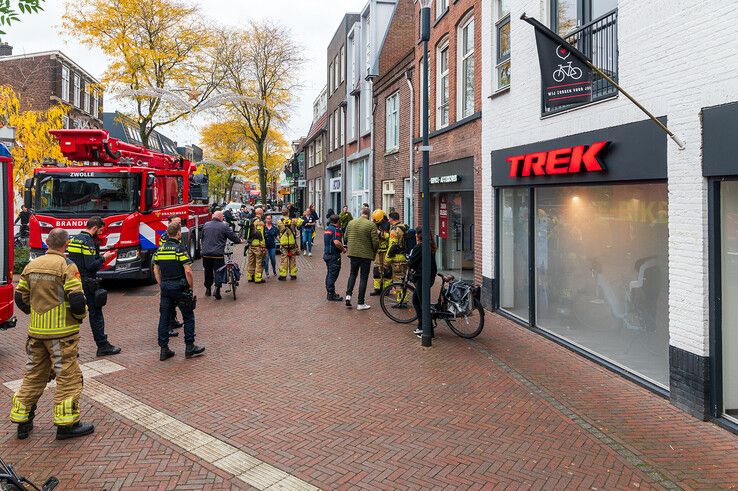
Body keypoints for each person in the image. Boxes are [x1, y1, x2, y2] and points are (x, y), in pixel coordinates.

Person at [10, 228, 94, 440]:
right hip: (62, 334)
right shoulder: (66, 266)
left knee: (34, 376)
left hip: (36, 333)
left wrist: (34, 312)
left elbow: (20, 297)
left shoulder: (31, 265)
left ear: (47, 242)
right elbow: (76, 299)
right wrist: (80, 316)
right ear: (65, 244)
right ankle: (67, 426)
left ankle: (23, 422)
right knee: (68, 377)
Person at [67, 216, 121, 357]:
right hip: (88, 282)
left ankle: (71, 347)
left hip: (74, 281)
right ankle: (102, 346)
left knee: (73, 315)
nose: (101, 233)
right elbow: (91, 265)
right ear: (95, 227)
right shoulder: (88, 242)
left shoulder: (75, 239)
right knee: (96, 314)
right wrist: (104, 258)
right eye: (101, 230)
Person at [153, 221, 205, 361]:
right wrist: (190, 287)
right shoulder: (179, 249)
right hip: (180, 287)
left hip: (166, 288)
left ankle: (164, 349)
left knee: (164, 318)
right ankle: (189, 347)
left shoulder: (160, 250)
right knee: (188, 316)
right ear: (178, 233)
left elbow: (156, 269)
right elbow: (188, 271)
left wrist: (161, 284)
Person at [344, 208, 379, 310]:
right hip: (365, 255)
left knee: (352, 274)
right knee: (363, 278)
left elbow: (345, 236)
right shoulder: (370, 225)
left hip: (353, 254)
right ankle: (360, 303)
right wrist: (374, 251)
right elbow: (375, 242)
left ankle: (348, 296)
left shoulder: (351, 222)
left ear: (360, 213)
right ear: (368, 215)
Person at [201, 210, 241, 300]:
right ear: (221, 217)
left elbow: (202, 238)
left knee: (207, 271)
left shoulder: (206, 225)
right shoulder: (224, 226)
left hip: (206, 254)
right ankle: (217, 289)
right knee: (219, 271)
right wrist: (239, 240)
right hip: (217, 254)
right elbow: (233, 236)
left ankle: (208, 288)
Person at [406, 226, 438, 337]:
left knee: (423, 303)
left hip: (422, 278)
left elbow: (411, 263)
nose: (415, 235)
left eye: (416, 234)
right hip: (429, 277)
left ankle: (428, 331)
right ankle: (421, 326)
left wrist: (409, 259)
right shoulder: (430, 245)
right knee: (416, 300)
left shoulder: (420, 247)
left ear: (419, 236)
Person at [160, 216, 184, 339]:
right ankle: (169, 327)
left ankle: (173, 321)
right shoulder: (165, 237)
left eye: (180, 222)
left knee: (173, 302)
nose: (179, 224)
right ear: (169, 224)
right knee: (168, 304)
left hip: (174, 272)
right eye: (177, 222)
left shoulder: (178, 236)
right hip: (170, 274)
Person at [386, 211, 410, 297]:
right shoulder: (404, 227)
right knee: (402, 279)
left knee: (397, 280)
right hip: (403, 257)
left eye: (389, 219)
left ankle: (401, 301)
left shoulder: (395, 230)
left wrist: (387, 259)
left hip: (397, 259)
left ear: (392, 219)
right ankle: (403, 298)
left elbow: (393, 246)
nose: (388, 221)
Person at [323, 214, 346, 301]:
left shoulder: (327, 229)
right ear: (338, 221)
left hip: (327, 255)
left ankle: (330, 292)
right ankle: (331, 294)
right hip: (333, 256)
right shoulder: (336, 230)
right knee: (332, 275)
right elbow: (336, 242)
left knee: (329, 274)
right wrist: (343, 249)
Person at [277, 207, 303, 280]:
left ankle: (283, 276)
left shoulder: (279, 221)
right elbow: (301, 222)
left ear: (282, 213)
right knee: (293, 259)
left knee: (283, 260)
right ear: (288, 213)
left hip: (284, 243)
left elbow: (278, 230)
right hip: (292, 243)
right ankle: (293, 275)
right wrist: (298, 217)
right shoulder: (293, 220)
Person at [370, 209, 391, 296]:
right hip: (378, 251)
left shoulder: (388, 225)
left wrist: (380, 233)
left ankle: (386, 289)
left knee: (387, 271)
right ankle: (377, 289)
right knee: (376, 271)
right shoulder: (375, 224)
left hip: (386, 251)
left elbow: (389, 236)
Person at [245, 207, 266, 284]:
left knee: (251, 262)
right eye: (262, 212)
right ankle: (258, 278)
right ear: (260, 213)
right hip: (257, 245)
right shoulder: (259, 222)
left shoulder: (251, 220)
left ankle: (250, 277)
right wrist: (263, 245)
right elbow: (261, 235)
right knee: (259, 261)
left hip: (251, 244)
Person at [262, 214, 279, 278]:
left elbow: (276, 236)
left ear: (271, 219)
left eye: (270, 219)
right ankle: (267, 272)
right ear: (265, 219)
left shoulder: (274, 228)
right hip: (265, 247)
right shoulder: (263, 227)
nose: (268, 220)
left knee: (273, 260)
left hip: (272, 246)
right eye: (267, 219)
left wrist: (281, 241)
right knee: (266, 260)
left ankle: (274, 270)